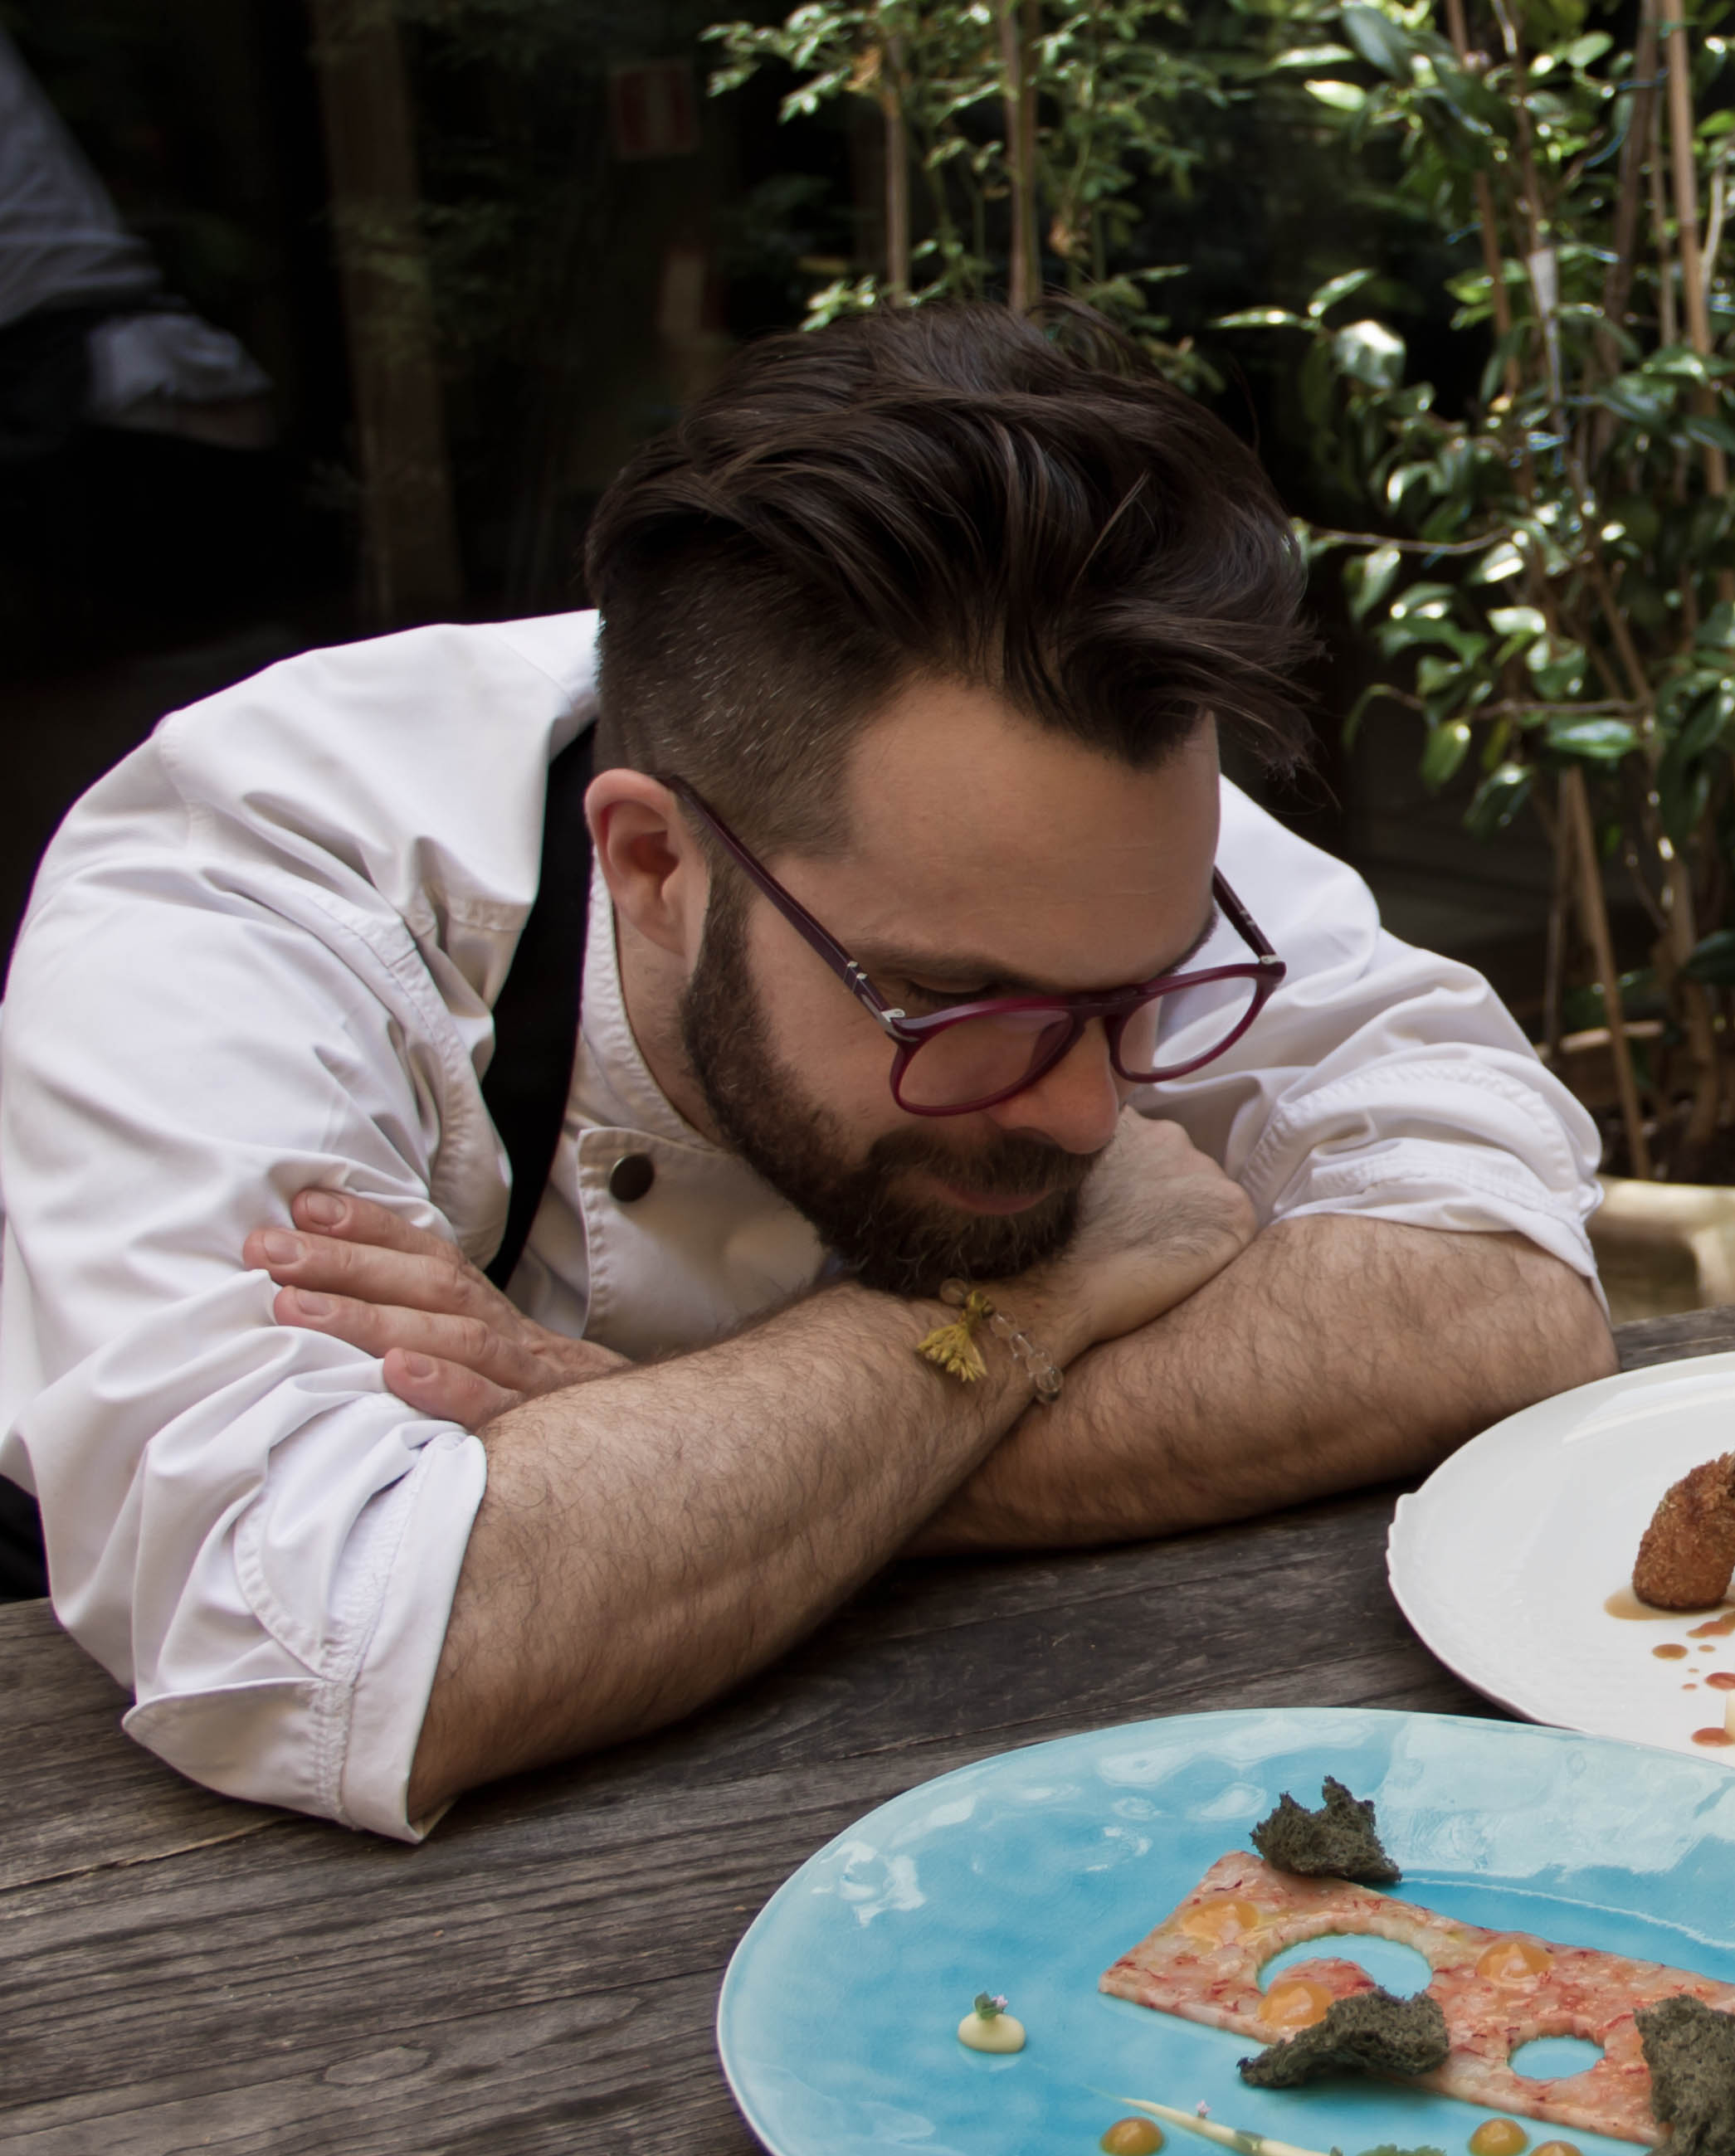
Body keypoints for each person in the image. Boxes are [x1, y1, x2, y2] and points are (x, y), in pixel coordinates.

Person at [0, 303, 1613, 1836]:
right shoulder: (248, 888)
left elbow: (1502, 1299)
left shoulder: (1061, 801)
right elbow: (331, 1648)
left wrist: (664, 1456)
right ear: (650, 862)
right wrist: (1026, 1309)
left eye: (1144, 992)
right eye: (947, 999)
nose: (1085, 1107)